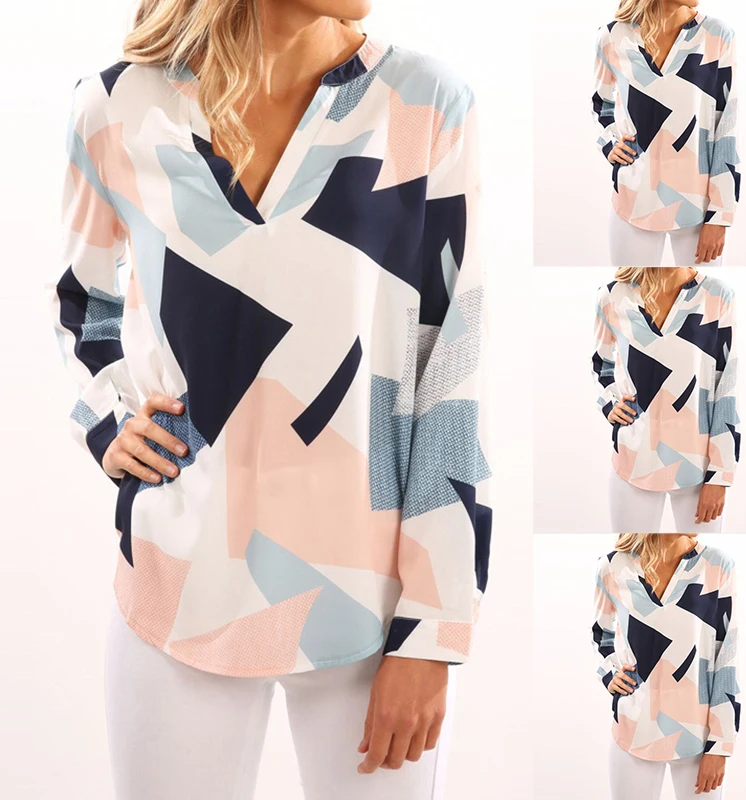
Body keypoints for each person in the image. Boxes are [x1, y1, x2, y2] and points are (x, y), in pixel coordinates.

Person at [44, 2, 492, 798]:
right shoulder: (118, 106)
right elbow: (83, 302)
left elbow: (450, 368)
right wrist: (107, 419)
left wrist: (434, 630)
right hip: (179, 587)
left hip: (369, 606)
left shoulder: (425, 104)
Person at [592, 0, 740, 266]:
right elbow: (600, 104)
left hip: (698, 205)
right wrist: (609, 143)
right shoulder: (612, 36)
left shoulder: (717, 35)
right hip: (633, 199)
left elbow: (726, 126)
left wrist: (720, 215)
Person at [592, 267, 740, 533]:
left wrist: (720, 475)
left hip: (698, 464)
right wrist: (609, 402)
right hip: (633, 458)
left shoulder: (717, 295)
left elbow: (726, 385)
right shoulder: (613, 295)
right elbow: (600, 364)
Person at [592, 533, 740, 798]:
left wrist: (720, 745)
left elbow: (726, 655)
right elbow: (600, 634)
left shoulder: (717, 565)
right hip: (633, 729)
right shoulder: (613, 566)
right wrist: (609, 672)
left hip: (698, 734)